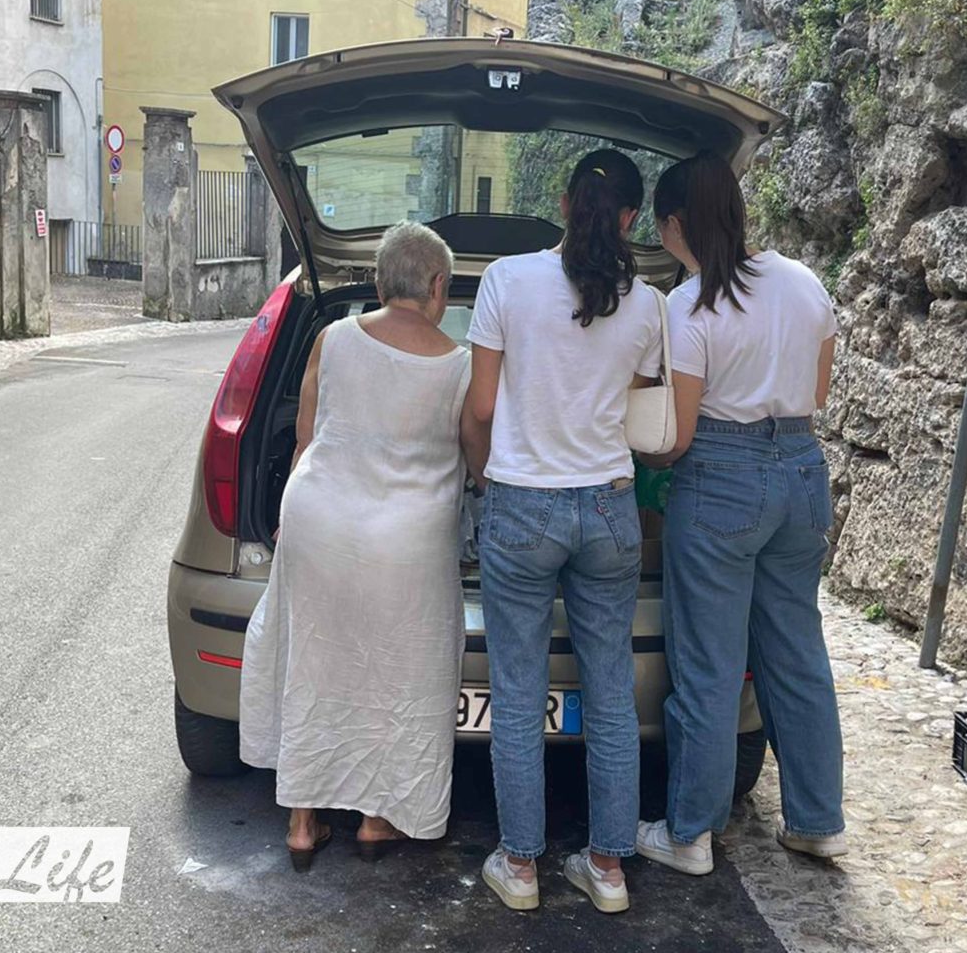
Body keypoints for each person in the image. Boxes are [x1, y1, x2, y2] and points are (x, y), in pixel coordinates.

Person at [461, 149, 663, 914]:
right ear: (631, 218)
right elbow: (630, 406)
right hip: (609, 506)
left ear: (564, 201)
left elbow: (482, 407)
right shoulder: (648, 305)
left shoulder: (506, 280)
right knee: (610, 691)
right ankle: (607, 869)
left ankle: (520, 866)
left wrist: (487, 477)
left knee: (518, 691)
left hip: (522, 501)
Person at [633, 152, 845, 877]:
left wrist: (643, 456)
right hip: (803, 471)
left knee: (709, 666)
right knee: (797, 654)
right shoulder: (804, 281)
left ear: (675, 223)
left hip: (722, 481)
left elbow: (678, 435)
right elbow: (818, 391)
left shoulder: (689, 304)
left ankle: (690, 833)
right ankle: (817, 822)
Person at [239, 221, 471, 871]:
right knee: (399, 675)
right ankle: (375, 819)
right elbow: (476, 461)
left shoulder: (333, 337)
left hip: (319, 520)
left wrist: (288, 520)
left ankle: (302, 823)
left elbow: (306, 436)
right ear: (438, 286)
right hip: (408, 540)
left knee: (314, 665)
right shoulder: (461, 366)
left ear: (377, 281)